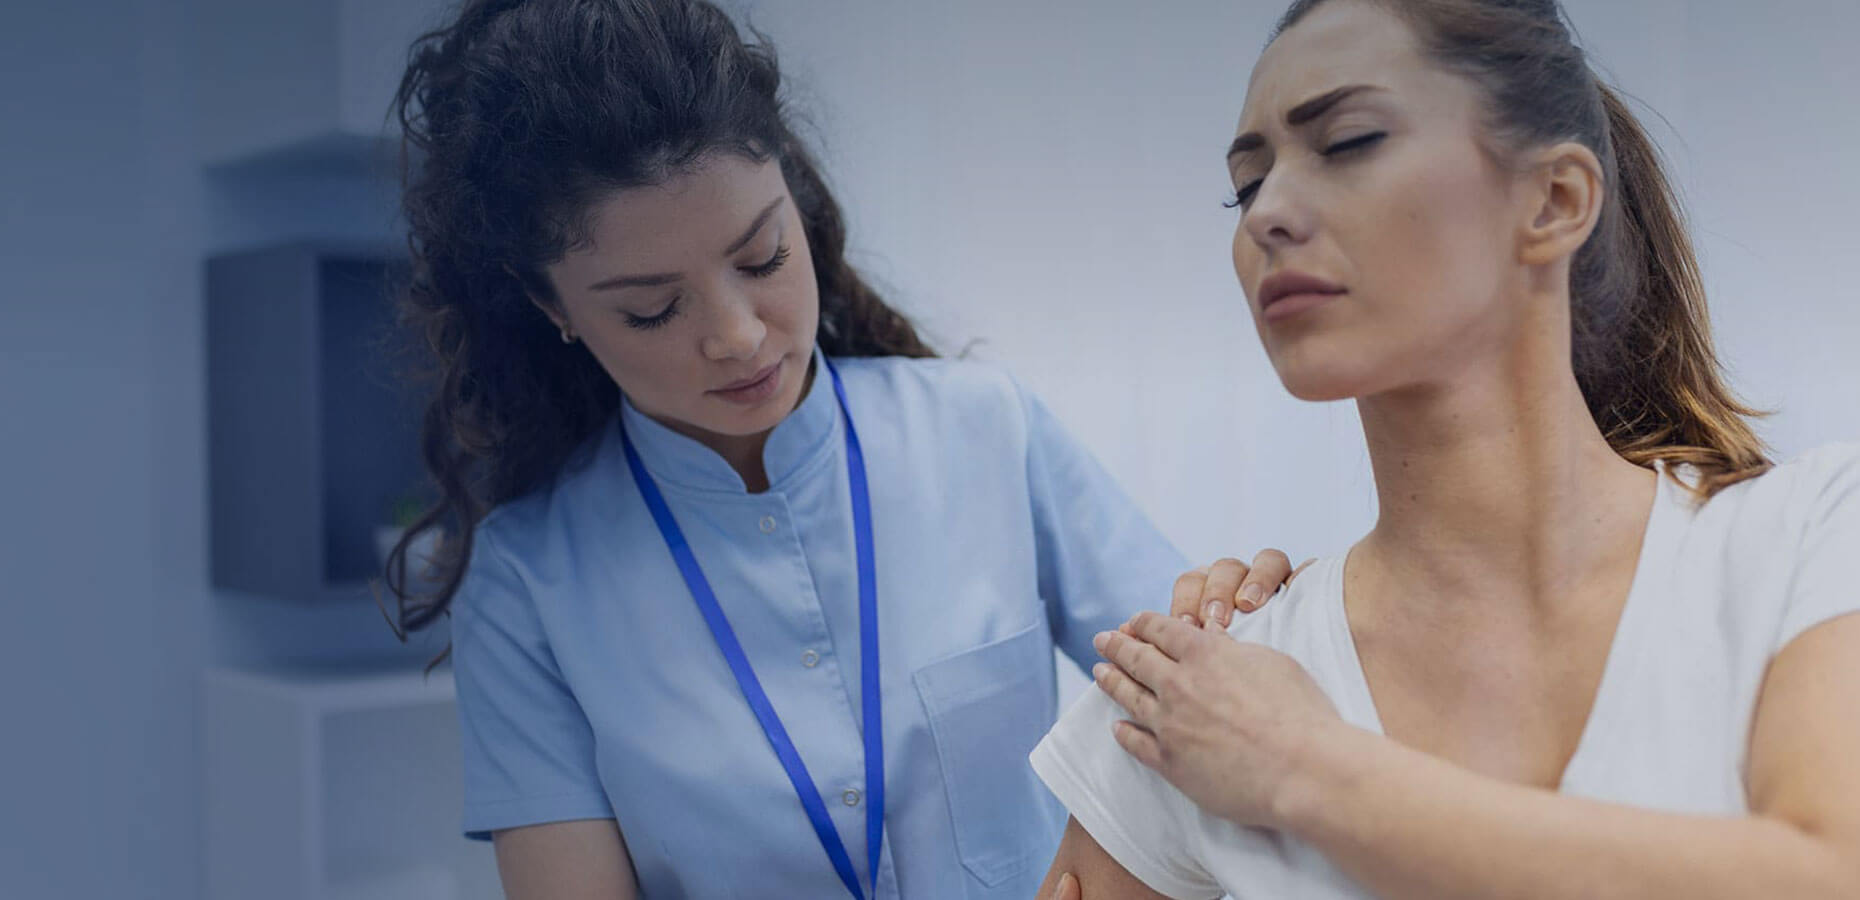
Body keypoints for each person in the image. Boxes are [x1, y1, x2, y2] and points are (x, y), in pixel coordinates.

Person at [379, 1, 1297, 897]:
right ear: (552, 307)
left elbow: (1195, 704)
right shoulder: (525, 585)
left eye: (763, 257)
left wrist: (1267, 621)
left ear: (795, 197)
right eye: (653, 309)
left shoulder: (987, 430)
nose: (739, 336)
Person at [1030, 0, 1860, 897]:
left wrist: (1308, 770)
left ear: (1554, 200)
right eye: (1248, 184)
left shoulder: (1805, 544)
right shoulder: (1202, 687)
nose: (1268, 213)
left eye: (1348, 142)